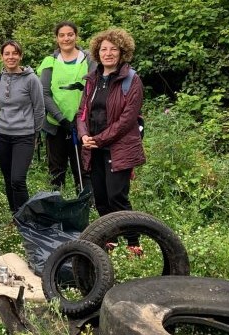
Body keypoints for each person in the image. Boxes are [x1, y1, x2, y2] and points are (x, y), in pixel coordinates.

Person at [76, 28, 145, 255]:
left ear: (121, 52)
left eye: (113, 49)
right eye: (103, 49)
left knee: (117, 196)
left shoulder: (131, 80)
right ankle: (110, 238)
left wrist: (99, 139)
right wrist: (84, 134)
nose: (108, 53)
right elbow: (82, 112)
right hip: (94, 148)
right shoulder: (92, 79)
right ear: (97, 52)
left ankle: (134, 243)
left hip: (119, 147)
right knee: (101, 196)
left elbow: (127, 120)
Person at [36, 21, 96, 194]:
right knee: (56, 170)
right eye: (62, 35)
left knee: (83, 168)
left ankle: (86, 204)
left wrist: (79, 119)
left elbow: (92, 90)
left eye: (70, 34)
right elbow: (45, 93)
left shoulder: (89, 59)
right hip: (56, 125)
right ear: (57, 38)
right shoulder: (50, 61)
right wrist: (62, 119)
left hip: (83, 125)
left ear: (76, 36)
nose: (66, 38)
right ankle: (56, 204)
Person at [0, 40, 45, 213]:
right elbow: (2, 105)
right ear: (2, 57)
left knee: (17, 179)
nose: (11, 57)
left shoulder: (31, 80)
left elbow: (39, 109)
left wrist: (35, 134)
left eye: (14, 53)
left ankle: (25, 218)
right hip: (1, 134)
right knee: (8, 178)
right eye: (7, 53)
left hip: (24, 135)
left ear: (20, 56)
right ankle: (14, 215)